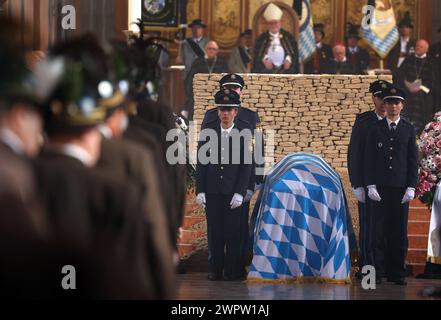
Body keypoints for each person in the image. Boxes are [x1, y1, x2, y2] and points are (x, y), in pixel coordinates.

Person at [201, 74, 262, 277]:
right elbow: (203, 156)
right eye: (227, 87)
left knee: (237, 229)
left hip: (240, 182)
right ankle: (217, 268)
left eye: (235, 88)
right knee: (216, 230)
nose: (231, 91)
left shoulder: (251, 117)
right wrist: (201, 188)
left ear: (241, 92)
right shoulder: (210, 117)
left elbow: (258, 152)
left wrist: (254, 183)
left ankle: (235, 268)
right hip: (215, 186)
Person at [364, 85, 418, 285]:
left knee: (399, 232)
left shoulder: (409, 128)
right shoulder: (374, 129)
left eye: (397, 103)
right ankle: (376, 272)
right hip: (379, 188)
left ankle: (397, 272)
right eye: (389, 102)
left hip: (400, 189)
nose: (393, 107)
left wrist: (412, 186)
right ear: (384, 105)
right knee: (377, 231)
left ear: (402, 105)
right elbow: (368, 160)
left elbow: (413, 159)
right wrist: (369, 185)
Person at [348, 80, 391, 278]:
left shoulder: (397, 120)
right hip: (367, 184)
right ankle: (368, 271)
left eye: (387, 98)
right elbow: (354, 154)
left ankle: (385, 268)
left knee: (388, 229)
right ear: (373, 98)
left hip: (391, 185)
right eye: (380, 97)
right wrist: (357, 184)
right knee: (368, 229)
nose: (383, 102)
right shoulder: (364, 121)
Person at [394, 39, 440, 134]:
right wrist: (407, 85)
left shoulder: (432, 62)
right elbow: (400, 76)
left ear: (426, 50)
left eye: (421, 47)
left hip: (424, 92)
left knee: (421, 97)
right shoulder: (408, 59)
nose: (418, 48)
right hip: (407, 90)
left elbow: (433, 81)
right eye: (417, 46)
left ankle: (420, 131)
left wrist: (420, 87)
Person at [183, 40, 228, 121]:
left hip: (216, 97)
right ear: (205, 49)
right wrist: (191, 95)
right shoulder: (198, 62)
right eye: (209, 48)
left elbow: (226, 80)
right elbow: (190, 80)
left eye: (214, 49)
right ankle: (192, 133)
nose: (211, 51)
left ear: (217, 51)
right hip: (198, 97)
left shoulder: (222, 62)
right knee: (193, 119)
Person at [252, 2, 299, 74]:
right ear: (267, 25)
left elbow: (294, 54)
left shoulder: (289, 37)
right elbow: (257, 56)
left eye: (276, 22)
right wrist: (265, 59)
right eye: (271, 23)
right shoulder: (261, 39)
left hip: (286, 71)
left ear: (280, 23)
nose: (274, 25)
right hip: (266, 71)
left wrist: (288, 60)